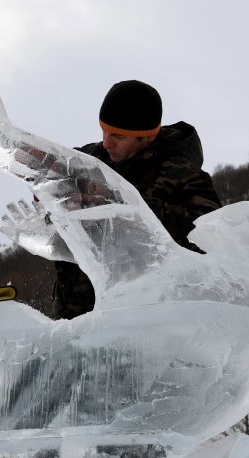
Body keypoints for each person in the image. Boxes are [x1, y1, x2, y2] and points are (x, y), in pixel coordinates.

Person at [52, 80, 222, 319]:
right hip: (75, 319)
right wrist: (48, 185)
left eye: (117, 136)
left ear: (147, 137)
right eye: (104, 131)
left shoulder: (185, 176)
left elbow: (212, 241)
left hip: (144, 321)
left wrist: (125, 207)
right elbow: (55, 171)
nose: (106, 142)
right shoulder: (93, 159)